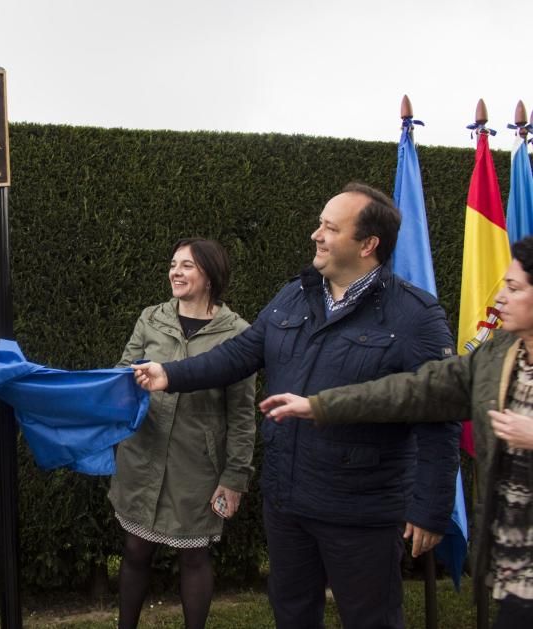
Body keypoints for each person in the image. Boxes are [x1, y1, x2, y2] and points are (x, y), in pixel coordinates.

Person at [132, 183, 461, 629]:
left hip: (360, 512)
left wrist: (431, 507)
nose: (316, 235)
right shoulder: (295, 295)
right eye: (320, 224)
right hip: (288, 502)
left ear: (367, 244)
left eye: (330, 227)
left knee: (371, 620)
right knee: (292, 615)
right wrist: (170, 375)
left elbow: (439, 411)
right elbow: (239, 354)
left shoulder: (415, 316)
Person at [260, 235, 533, 629]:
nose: (500, 298)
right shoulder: (500, 354)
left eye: (513, 287)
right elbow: (411, 391)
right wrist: (317, 405)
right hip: (515, 571)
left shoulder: (413, 311)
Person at [110, 237, 256, 629]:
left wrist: (235, 477)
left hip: (198, 466)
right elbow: (123, 373)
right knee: (136, 547)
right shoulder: (151, 318)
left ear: (210, 275)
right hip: (143, 454)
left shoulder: (239, 334)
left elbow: (242, 415)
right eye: (173, 264)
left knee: (194, 556)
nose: (176, 271)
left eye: (187, 265)